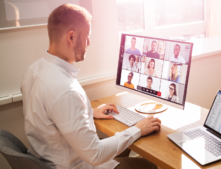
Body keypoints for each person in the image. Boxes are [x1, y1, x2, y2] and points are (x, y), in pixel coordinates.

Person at [20, 4, 160, 169]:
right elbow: (96, 154)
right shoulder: (65, 90)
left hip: (48, 158)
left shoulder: (34, 70)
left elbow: (51, 114)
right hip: (77, 164)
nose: (89, 43)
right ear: (71, 37)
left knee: (125, 144)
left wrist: (88, 112)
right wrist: (137, 129)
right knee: (149, 165)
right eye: (87, 37)